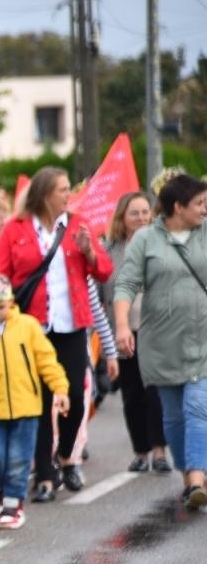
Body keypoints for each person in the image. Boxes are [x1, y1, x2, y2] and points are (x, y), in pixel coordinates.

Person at [0, 166, 114, 501]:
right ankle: (45, 476)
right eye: (62, 189)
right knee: (40, 400)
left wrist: (89, 251)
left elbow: (104, 271)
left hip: (71, 325)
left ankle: (64, 456)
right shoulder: (14, 229)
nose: (68, 195)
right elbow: (0, 278)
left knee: (76, 397)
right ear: (44, 194)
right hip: (31, 327)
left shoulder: (78, 225)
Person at [113, 172, 207, 509]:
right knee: (173, 416)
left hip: (202, 339)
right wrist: (122, 326)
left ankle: (197, 476)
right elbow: (125, 284)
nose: (204, 208)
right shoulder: (145, 240)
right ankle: (189, 475)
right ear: (178, 207)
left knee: (198, 407)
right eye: (198, 203)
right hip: (161, 342)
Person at [0, 275, 70, 530]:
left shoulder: (28, 326)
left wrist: (60, 388)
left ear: (11, 302)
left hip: (27, 407)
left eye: (1, 306)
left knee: (20, 458)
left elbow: (46, 358)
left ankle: (13, 503)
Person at [101, 191, 169, 473]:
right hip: (123, 329)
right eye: (135, 213)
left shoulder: (161, 244)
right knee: (131, 392)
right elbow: (102, 284)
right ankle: (140, 451)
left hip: (156, 328)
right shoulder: (111, 249)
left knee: (155, 390)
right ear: (122, 218)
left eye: (145, 212)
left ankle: (159, 451)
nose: (142, 218)